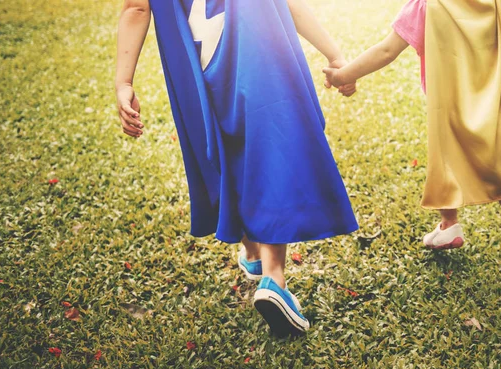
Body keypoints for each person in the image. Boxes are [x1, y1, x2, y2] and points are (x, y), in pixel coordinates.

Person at [115, 0, 359, 336]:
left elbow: (137, 8)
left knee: (222, 148)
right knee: (270, 148)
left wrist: (123, 83)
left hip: (195, 58)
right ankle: (273, 277)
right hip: (258, 45)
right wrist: (334, 55)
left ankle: (250, 248)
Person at [323, 0, 501, 288]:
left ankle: (449, 224)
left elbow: (387, 50)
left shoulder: (426, 5)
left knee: (447, 162)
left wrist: (344, 75)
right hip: (499, 104)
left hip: (450, 108)